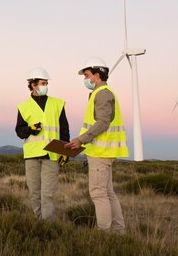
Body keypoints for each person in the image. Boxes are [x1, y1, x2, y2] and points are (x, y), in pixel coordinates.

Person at [65, 57, 128, 233]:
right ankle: (118, 232)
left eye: (86, 75)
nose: (85, 79)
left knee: (99, 194)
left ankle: (105, 234)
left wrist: (80, 140)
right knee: (108, 193)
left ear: (97, 75)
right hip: (102, 152)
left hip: (101, 153)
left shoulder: (102, 94)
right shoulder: (101, 93)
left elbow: (102, 123)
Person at [15, 67, 70, 221]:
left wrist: (65, 152)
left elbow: (64, 130)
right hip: (32, 155)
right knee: (34, 192)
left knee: (48, 194)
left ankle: (48, 226)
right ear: (33, 85)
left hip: (52, 154)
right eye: (43, 83)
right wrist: (29, 129)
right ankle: (39, 222)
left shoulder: (57, 104)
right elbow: (19, 131)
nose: (46, 86)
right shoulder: (23, 106)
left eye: (46, 83)